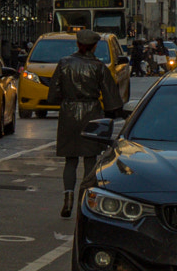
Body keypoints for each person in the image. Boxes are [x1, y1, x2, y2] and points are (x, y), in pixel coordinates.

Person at [54, 28, 124, 219]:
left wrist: (65, 98)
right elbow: (112, 98)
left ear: (77, 44)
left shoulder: (64, 64)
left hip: (68, 113)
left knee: (70, 160)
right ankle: (84, 200)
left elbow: (53, 93)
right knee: (90, 158)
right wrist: (114, 111)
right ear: (94, 47)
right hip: (92, 112)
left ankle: (68, 196)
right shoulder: (99, 67)